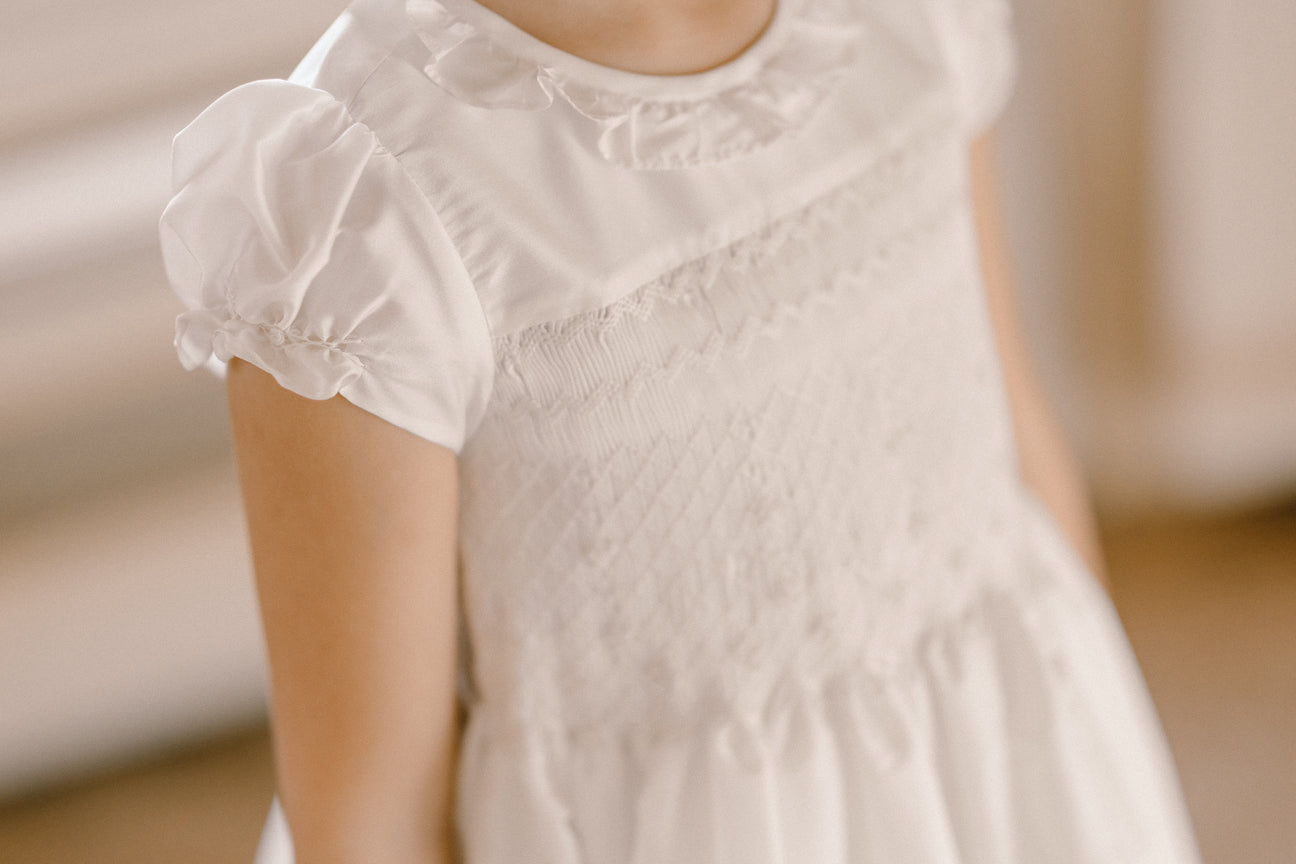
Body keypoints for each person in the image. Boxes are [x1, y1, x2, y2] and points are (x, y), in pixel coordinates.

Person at [160, 0, 1203, 861]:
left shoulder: (907, 25)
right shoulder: (365, 205)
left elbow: (1017, 445)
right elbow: (368, 821)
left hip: (1003, 796)